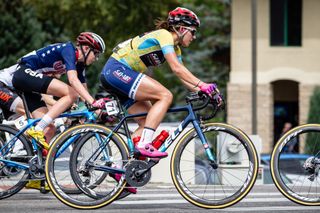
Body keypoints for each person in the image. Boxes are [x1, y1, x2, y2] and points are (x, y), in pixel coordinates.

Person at [99, 7, 222, 158]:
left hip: (118, 75)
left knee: (146, 123)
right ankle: (145, 144)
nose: (194, 37)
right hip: (116, 70)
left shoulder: (176, 49)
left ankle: (122, 165)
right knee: (165, 95)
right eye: (193, 31)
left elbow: (183, 77)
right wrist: (203, 84)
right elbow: (177, 69)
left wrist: (204, 92)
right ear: (182, 29)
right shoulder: (164, 35)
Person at [3, 32, 105, 191]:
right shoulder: (68, 49)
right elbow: (73, 82)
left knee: (50, 127)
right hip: (22, 73)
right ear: (86, 48)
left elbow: (83, 91)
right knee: (70, 93)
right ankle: (36, 129)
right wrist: (92, 102)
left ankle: (34, 174)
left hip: (28, 84)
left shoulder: (80, 65)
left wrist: (92, 109)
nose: (96, 58)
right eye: (96, 54)